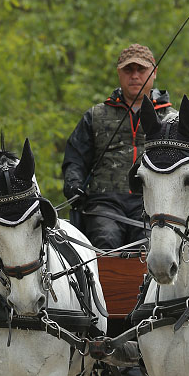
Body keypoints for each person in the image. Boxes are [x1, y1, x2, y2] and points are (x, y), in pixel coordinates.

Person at [62, 43, 173, 251]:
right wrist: (73, 183)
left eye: (141, 70)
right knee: (105, 238)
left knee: (151, 247)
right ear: (119, 73)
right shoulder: (95, 115)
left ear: (154, 72)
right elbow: (75, 158)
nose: (135, 76)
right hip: (104, 203)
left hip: (153, 203)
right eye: (128, 70)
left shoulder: (170, 119)